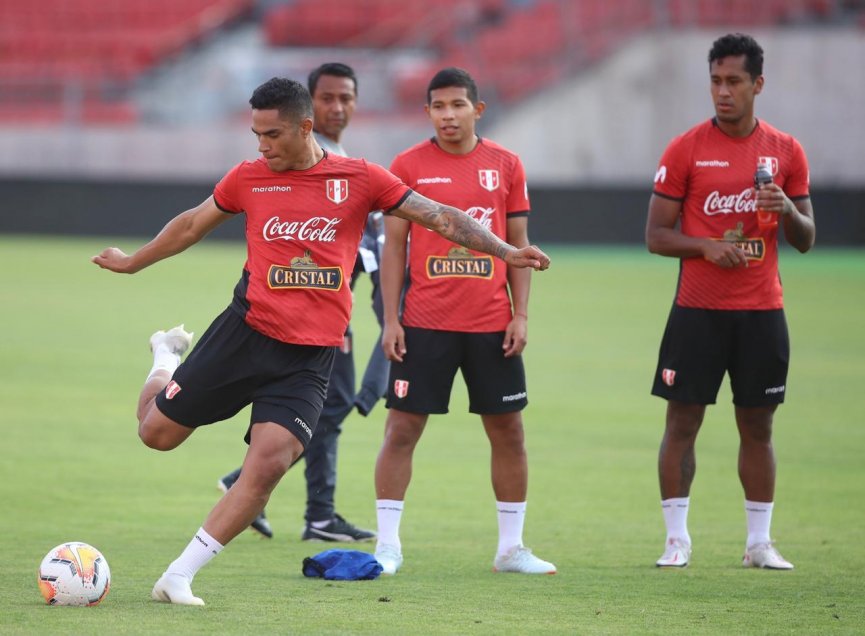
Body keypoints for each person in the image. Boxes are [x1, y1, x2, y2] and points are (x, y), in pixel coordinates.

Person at [91, 77, 550, 606]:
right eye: (256, 134)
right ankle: (165, 358)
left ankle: (179, 575)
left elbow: (440, 216)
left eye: (272, 134)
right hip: (244, 335)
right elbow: (193, 224)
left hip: (308, 358)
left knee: (267, 465)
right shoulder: (249, 177)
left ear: (305, 128)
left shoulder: (360, 179)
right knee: (157, 436)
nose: (261, 146)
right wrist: (132, 262)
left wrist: (504, 250)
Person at [372, 67, 555, 576]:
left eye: (457, 105)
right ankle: (387, 547)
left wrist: (521, 314)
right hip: (425, 323)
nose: (447, 115)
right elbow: (394, 249)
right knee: (402, 430)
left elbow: (519, 246)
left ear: (478, 109)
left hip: (491, 325)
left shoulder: (506, 164)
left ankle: (510, 549)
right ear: (427, 111)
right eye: (437, 106)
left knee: (509, 433)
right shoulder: (407, 165)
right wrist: (391, 319)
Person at [646, 33, 815, 570]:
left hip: (762, 311)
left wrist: (786, 206)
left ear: (757, 85)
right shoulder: (686, 148)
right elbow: (655, 235)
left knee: (758, 426)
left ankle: (759, 542)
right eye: (716, 81)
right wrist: (705, 246)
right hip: (696, 312)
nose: (723, 92)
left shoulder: (786, 152)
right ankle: (677, 540)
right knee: (682, 423)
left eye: (734, 82)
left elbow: (807, 238)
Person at [217, 62, 386, 543]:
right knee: (324, 412)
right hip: (301, 317)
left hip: (331, 311)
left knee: (326, 412)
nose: (338, 106)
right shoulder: (299, 159)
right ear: (308, 110)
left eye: (346, 97)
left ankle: (304, 506)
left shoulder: (345, 161)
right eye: (328, 97)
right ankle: (310, 510)